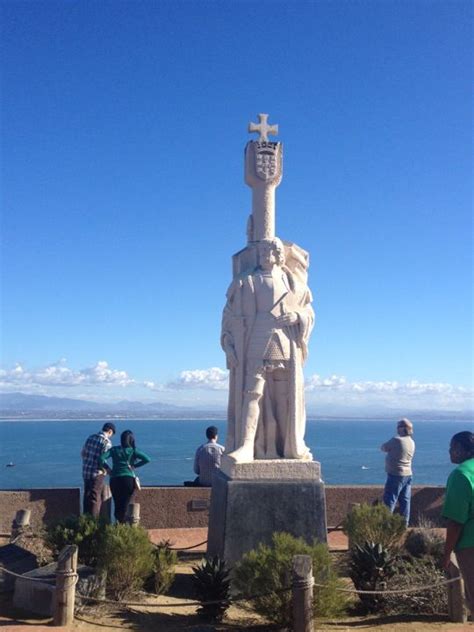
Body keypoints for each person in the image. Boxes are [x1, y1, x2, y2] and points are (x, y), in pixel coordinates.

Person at [221, 238, 314, 462]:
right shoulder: (246, 282)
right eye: (261, 251)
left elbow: (309, 312)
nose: (263, 255)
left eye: (268, 251)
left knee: (285, 397)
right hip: (256, 338)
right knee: (252, 394)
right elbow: (229, 315)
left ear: (279, 254)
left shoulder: (294, 283)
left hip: (284, 341)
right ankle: (246, 446)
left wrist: (297, 316)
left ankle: (286, 444)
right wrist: (229, 344)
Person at [442, 431, 474, 618]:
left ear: (462, 450)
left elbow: (455, 521)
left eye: (452, 447)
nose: (449, 452)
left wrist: (446, 554)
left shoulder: (461, 475)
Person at [99, 430, 150, 523]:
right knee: (126, 504)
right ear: (131, 440)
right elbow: (147, 459)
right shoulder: (133, 450)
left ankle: (118, 525)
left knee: (117, 503)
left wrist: (108, 469)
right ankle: (125, 527)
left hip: (115, 479)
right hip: (128, 479)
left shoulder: (114, 450)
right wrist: (134, 466)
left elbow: (101, 458)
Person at [381, 418, 415, 525]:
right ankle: (404, 525)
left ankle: (385, 525)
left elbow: (383, 447)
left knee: (390, 500)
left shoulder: (397, 440)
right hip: (408, 474)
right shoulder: (411, 442)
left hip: (396, 474)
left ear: (403, 429)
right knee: (405, 501)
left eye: (398, 427)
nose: (397, 429)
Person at [81, 422, 116, 517]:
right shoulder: (106, 442)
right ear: (110, 431)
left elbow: (83, 453)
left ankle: (85, 520)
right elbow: (102, 460)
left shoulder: (91, 437)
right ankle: (94, 521)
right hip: (97, 473)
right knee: (95, 498)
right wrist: (108, 470)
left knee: (86, 497)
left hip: (86, 471)